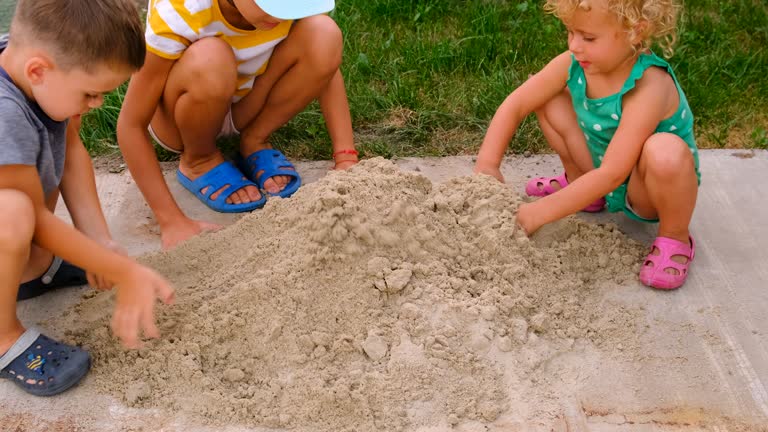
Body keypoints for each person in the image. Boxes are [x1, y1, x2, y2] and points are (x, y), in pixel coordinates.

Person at [0, 0, 174, 396]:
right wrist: (127, 273)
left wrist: (96, 240)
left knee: (22, 201)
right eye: (91, 94)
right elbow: (36, 221)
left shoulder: (36, 68)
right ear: (38, 71)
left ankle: (30, 270)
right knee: (10, 211)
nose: (97, 105)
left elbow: (71, 148)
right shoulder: (4, 116)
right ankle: (2, 337)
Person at [474, 0, 700, 290]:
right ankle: (581, 187)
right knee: (545, 94)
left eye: (589, 38)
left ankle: (675, 236)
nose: (575, 45)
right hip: (599, 168)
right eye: (570, 32)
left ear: (636, 33)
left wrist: (536, 214)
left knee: (664, 151)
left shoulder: (650, 84)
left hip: (643, 189)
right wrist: (488, 164)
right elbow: (517, 103)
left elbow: (613, 174)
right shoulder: (574, 63)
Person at [117, 0, 359, 250]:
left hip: (244, 102)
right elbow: (131, 124)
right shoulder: (181, 9)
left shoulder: (280, 9)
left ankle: (254, 139)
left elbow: (327, 69)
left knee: (324, 33)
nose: (282, 14)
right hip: (180, 119)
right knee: (211, 56)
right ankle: (199, 160)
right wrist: (170, 221)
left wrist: (346, 157)